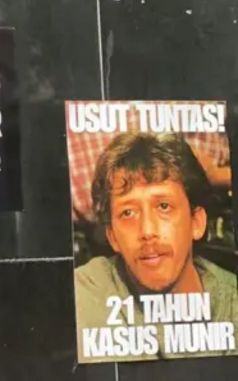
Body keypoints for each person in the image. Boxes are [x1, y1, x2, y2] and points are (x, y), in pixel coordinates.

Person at [74, 132, 238, 361]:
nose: (147, 231)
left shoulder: (232, 304)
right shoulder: (88, 289)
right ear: (112, 237)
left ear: (196, 222)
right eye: (128, 213)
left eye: (163, 206)